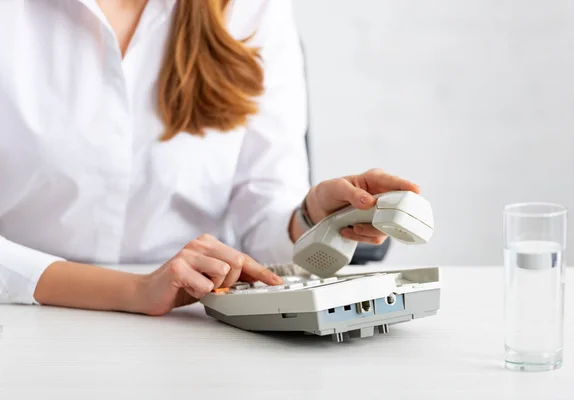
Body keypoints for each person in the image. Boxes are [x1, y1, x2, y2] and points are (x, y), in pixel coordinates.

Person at [0, 0, 420, 316]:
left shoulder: (250, 9)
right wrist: (133, 291)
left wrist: (310, 218)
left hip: (190, 327)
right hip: (22, 316)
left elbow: (261, 220)